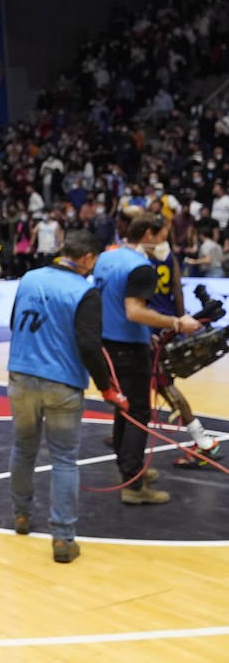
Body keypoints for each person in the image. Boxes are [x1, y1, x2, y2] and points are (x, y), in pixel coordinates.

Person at [6, 231, 123, 563]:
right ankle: (62, 538)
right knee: (64, 459)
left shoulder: (29, 277)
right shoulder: (86, 291)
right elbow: (89, 345)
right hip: (62, 383)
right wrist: (107, 386)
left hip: (21, 376)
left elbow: (14, 322)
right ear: (86, 257)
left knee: (23, 447)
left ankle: (22, 517)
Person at [93, 213, 203, 504]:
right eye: (164, 234)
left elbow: (111, 301)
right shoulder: (141, 267)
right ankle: (133, 484)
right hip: (128, 349)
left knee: (123, 408)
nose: (166, 241)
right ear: (149, 235)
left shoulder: (107, 257)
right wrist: (177, 323)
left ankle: (128, 468)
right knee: (139, 414)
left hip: (106, 344)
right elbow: (134, 311)